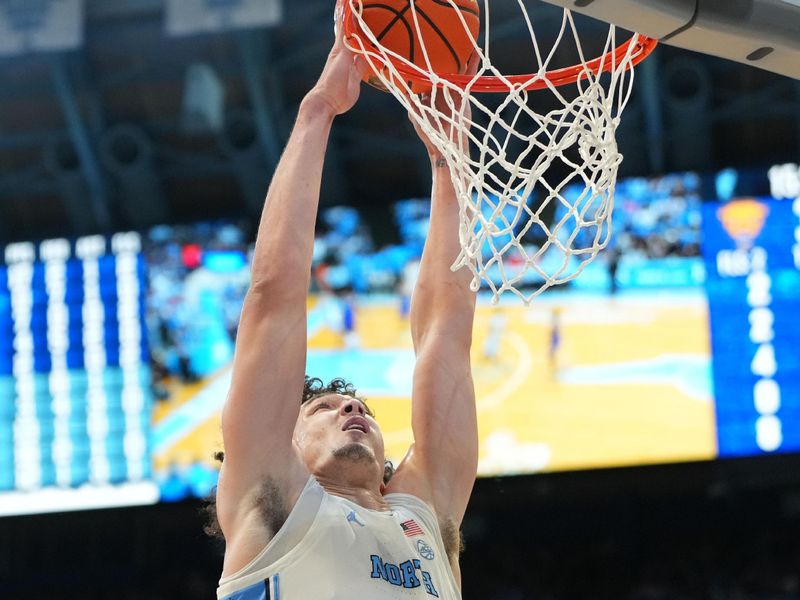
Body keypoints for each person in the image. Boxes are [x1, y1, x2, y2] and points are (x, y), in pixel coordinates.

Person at [208, 7, 479, 599]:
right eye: (325, 409)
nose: (352, 407)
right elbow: (272, 298)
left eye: (356, 406)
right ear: (287, 446)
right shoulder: (270, 502)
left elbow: (446, 330)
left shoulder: (424, 517)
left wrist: (448, 157)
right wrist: (318, 110)